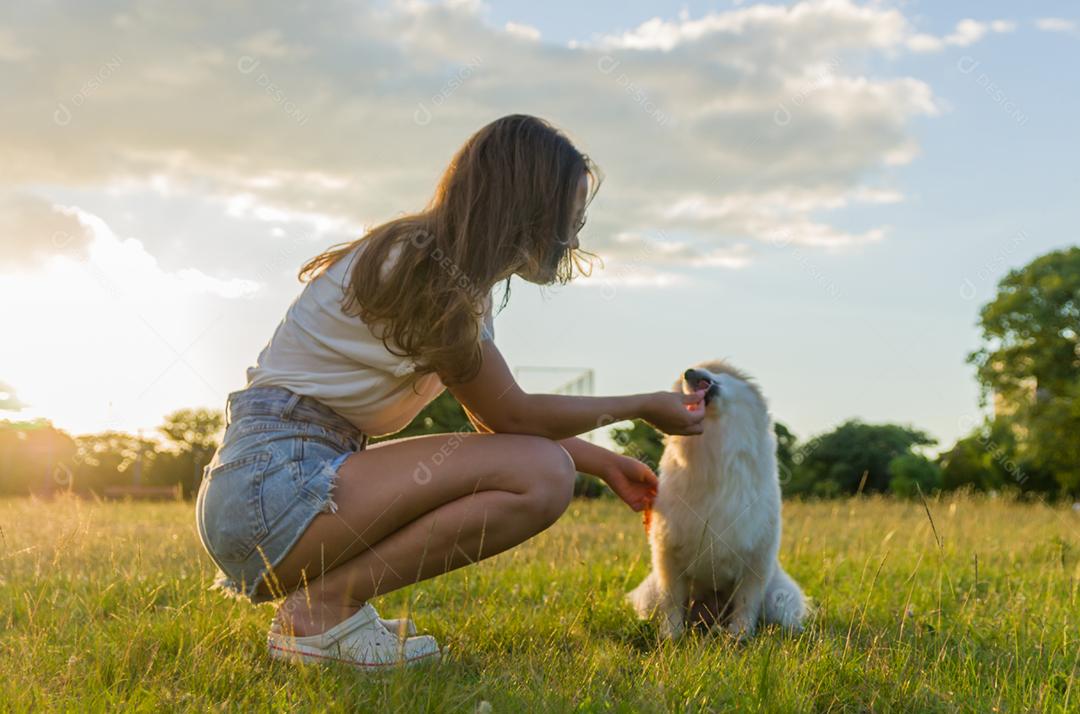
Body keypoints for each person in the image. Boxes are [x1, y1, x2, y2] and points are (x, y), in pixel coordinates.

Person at [194, 114, 707, 670]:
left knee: (541, 465)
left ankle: (325, 609)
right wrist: (642, 405)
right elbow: (513, 413)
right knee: (542, 474)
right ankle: (321, 611)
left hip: (278, 482)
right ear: (528, 205)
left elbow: (502, 423)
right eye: (571, 219)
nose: (575, 238)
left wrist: (602, 461)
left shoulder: (447, 273)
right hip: (272, 486)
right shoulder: (423, 268)